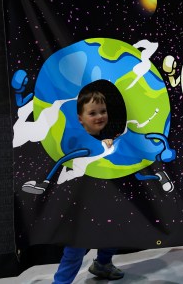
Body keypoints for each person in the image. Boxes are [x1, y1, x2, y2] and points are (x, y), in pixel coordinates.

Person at [53, 88, 123, 283]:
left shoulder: (107, 137)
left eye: (103, 111)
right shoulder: (75, 141)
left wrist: (108, 145)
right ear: (80, 118)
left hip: (103, 201)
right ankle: (60, 282)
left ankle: (102, 264)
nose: (99, 116)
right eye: (92, 113)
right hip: (80, 207)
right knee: (75, 249)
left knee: (114, 233)